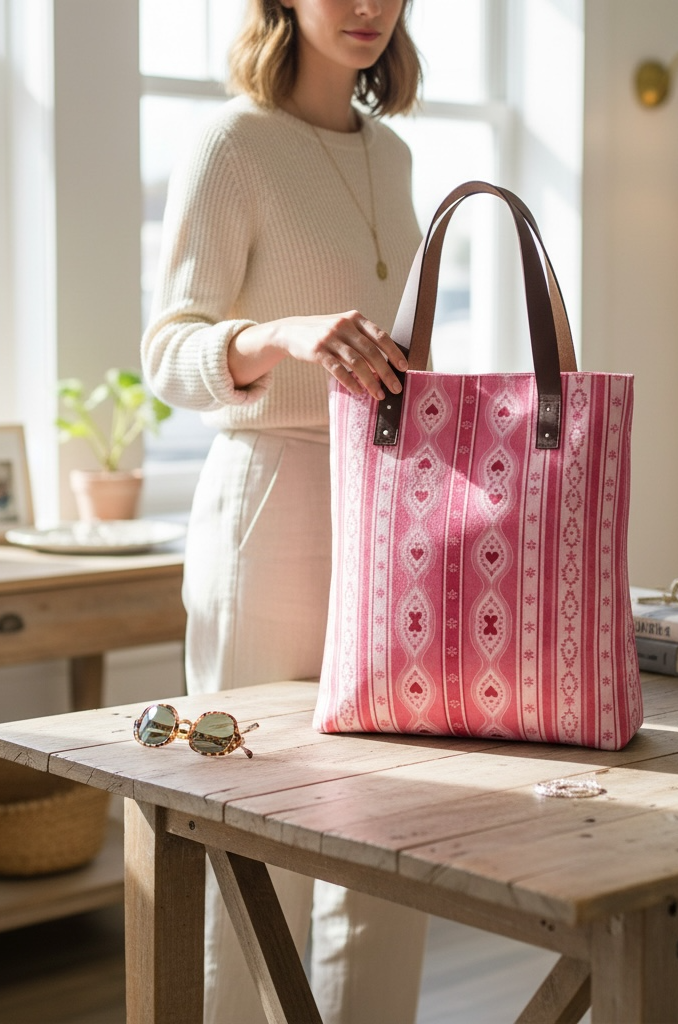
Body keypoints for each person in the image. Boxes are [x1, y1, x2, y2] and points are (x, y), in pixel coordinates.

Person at [141, 1, 428, 1021]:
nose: (366, 7)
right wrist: (281, 335)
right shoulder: (230, 142)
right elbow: (167, 352)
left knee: (392, 808)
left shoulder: (390, 156)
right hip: (269, 501)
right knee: (251, 811)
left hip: (389, 505)